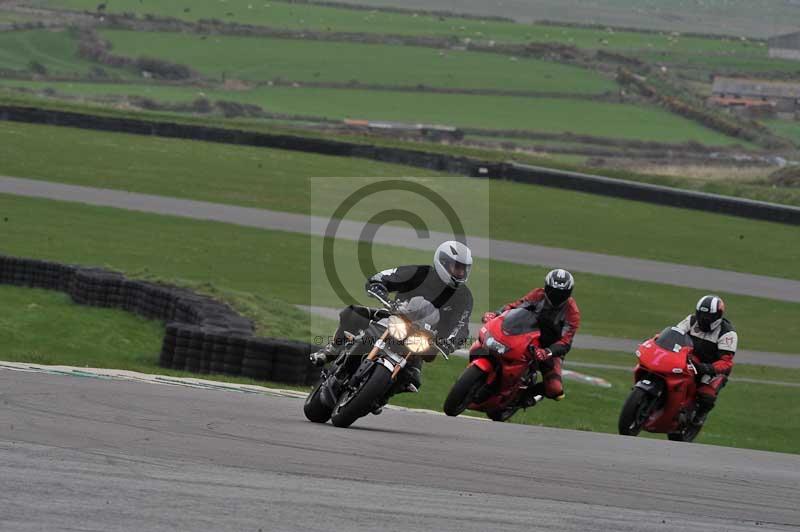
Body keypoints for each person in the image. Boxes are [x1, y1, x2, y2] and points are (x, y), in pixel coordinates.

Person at [310, 240, 474, 398]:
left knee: (413, 380)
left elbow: (461, 326)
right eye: (457, 267)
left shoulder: (464, 297)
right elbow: (388, 276)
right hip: (396, 317)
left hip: (423, 338)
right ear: (443, 263)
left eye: (464, 269)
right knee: (352, 313)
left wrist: (450, 342)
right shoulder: (420, 273)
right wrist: (379, 286)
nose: (460, 273)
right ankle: (332, 349)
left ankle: (381, 396)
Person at [482, 269, 580, 404]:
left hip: (550, 349)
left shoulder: (572, 312)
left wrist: (548, 352)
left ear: (568, 293)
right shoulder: (538, 295)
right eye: (553, 291)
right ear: (546, 287)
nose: (556, 296)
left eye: (561, 293)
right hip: (526, 336)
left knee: (555, 390)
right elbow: (515, 307)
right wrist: (495, 314)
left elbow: (566, 341)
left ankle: (524, 398)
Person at [674, 295, 737, 426]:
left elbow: (726, 362)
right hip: (690, 359)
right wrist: (659, 339)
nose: (703, 320)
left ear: (717, 317)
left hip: (712, 369)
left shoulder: (727, 334)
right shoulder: (691, 320)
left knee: (706, 395)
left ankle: (699, 415)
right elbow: (675, 334)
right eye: (701, 315)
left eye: (707, 317)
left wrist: (707, 368)